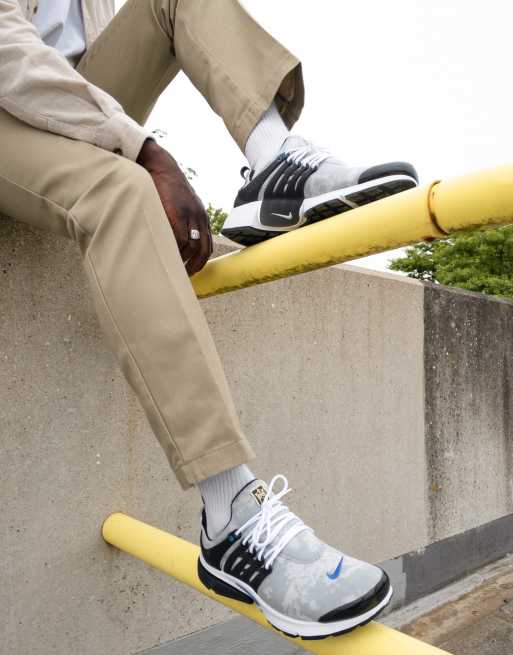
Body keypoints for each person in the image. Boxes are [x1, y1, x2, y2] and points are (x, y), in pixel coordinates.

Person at [0, 0, 418, 638]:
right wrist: (146, 154)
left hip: (60, 112)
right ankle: (232, 517)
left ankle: (277, 158)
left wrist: (128, 144)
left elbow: (79, 80)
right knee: (121, 190)